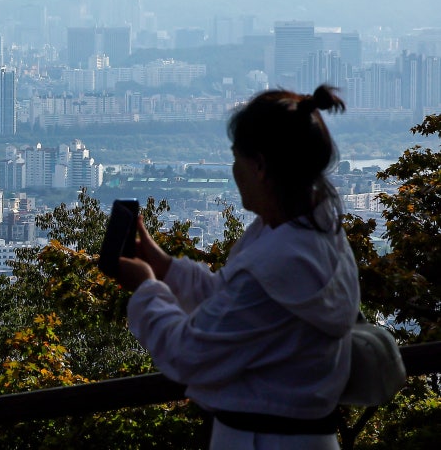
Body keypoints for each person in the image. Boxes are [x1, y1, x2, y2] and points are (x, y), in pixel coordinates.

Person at [117, 84, 360, 449]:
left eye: (236, 158)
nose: (234, 171)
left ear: (259, 165)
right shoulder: (316, 234)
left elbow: (188, 354)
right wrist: (166, 268)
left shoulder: (279, 260)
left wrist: (147, 288)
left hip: (264, 440)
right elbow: (231, 303)